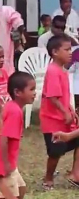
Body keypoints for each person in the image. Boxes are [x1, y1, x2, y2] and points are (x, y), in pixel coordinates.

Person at [0, 72, 38, 199]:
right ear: (18, 92)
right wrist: (5, 163)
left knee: (21, 188)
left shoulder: (12, 108)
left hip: (10, 161)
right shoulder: (14, 111)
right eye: (31, 89)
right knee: (4, 198)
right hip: (5, 163)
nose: (35, 93)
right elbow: (3, 138)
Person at [39, 35, 79, 189]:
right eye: (67, 49)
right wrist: (65, 112)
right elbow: (52, 97)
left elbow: (63, 95)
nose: (70, 53)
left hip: (62, 117)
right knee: (55, 152)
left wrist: (70, 110)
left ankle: (75, 173)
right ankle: (48, 178)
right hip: (52, 120)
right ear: (55, 52)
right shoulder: (53, 70)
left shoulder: (62, 70)